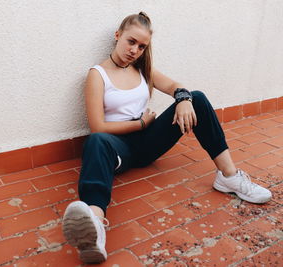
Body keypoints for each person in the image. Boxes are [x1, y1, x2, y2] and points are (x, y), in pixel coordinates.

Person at [61, 11, 272, 264]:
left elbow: (176, 87)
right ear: (118, 35)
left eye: (141, 46)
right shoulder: (97, 74)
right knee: (94, 142)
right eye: (131, 42)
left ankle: (229, 178)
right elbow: (98, 127)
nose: (135, 50)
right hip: (116, 146)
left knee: (199, 98)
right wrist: (140, 123)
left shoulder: (143, 70)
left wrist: (183, 99)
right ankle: (95, 225)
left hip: (148, 143)